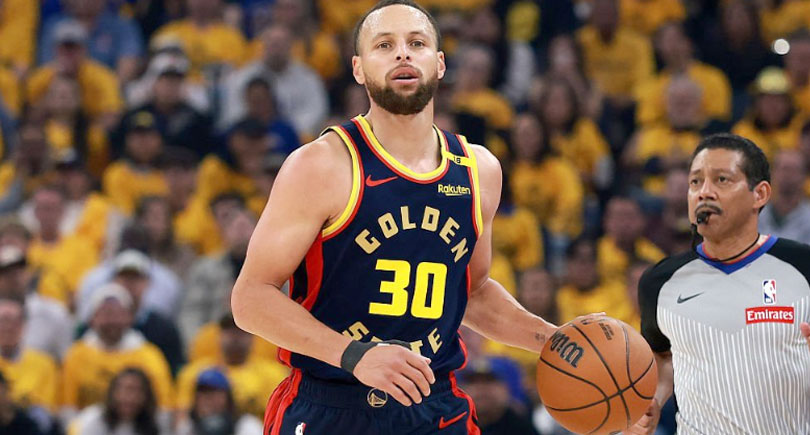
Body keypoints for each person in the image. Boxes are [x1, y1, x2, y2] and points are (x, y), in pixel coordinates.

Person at [230, 1, 562, 433]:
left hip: (435, 406)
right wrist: (355, 356)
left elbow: (473, 292)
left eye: (416, 43)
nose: (403, 53)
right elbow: (251, 298)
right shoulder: (321, 164)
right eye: (384, 45)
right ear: (358, 68)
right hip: (333, 404)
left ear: (439, 63)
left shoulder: (478, 170)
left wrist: (555, 342)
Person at [630, 133, 810, 434]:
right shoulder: (658, 282)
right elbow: (663, 356)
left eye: (722, 180)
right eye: (695, 182)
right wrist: (654, 399)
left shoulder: (803, 268)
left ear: (760, 194)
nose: (704, 192)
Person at [67, 367, 172, 435]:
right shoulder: (92, 418)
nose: (129, 398)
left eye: (136, 391)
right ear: (112, 392)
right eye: (124, 389)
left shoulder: (157, 422)